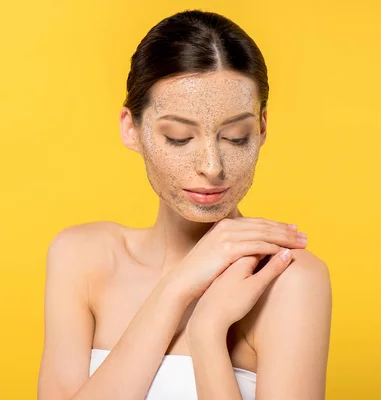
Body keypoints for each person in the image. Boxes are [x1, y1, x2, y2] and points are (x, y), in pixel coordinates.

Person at [37, 9, 332, 400]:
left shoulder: (287, 280)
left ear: (261, 129)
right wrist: (176, 289)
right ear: (132, 129)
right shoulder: (81, 257)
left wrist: (207, 333)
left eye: (236, 137)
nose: (211, 167)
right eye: (178, 137)